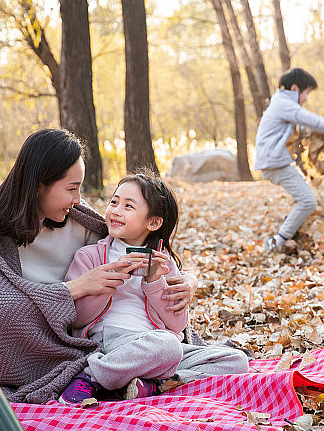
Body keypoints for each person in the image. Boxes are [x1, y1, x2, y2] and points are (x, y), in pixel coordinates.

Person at [0, 128, 199, 404]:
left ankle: (141, 381)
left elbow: (133, 241)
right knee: (160, 349)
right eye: (72, 188)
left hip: (120, 344)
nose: (78, 199)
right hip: (50, 350)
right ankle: (103, 378)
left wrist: (187, 280)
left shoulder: (79, 219)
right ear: (39, 185)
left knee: (206, 356)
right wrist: (75, 288)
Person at [61, 172, 249, 404]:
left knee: (236, 360)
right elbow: (76, 319)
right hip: (113, 342)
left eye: (128, 206)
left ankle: (153, 385)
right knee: (168, 346)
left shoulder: (164, 263)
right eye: (114, 202)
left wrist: (154, 283)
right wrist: (109, 282)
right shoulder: (90, 256)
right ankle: (90, 378)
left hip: (157, 345)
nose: (116, 211)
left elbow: (177, 324)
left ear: (153, 222)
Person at [255, 67, 324, 252]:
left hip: (276, 161)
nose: (307, 98)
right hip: (275, 163)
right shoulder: (284, 104)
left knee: (305, 199)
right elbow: (312, 120)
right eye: (306, 92)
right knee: (308, 201)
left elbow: (301, 129)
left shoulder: (280, 103)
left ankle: (286, 236)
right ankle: (277, 241)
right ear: (295, 89)